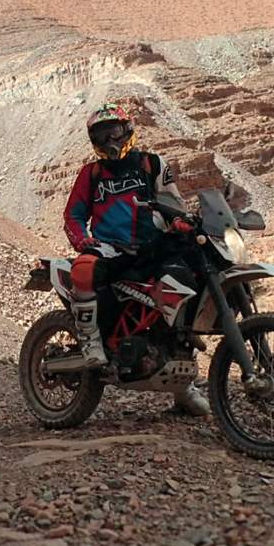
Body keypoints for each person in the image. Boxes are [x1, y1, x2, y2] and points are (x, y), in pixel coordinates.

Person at [63, 103, 210, 416]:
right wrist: (82, 240)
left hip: (152, 245)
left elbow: (172, 203)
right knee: (85, 266)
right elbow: (73, 214)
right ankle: (90, 341)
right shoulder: (90, 175)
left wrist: (181, 222)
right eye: (100, 135)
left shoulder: (152, 164)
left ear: (127, 131)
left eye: (113, 132)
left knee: (195, 271)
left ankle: (182, 381)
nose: (108, 141)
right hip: (112, 247)